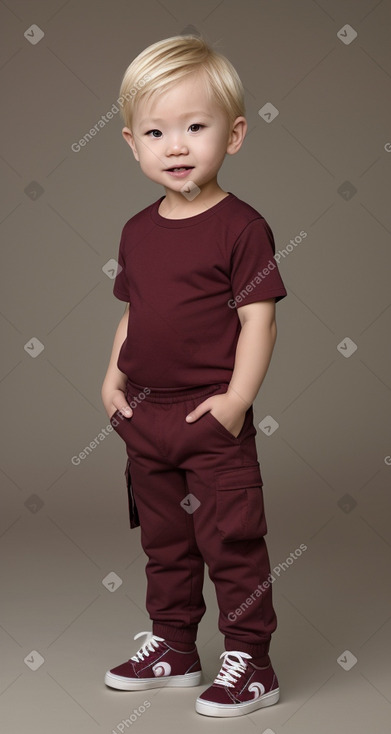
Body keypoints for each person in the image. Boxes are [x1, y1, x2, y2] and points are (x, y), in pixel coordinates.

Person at [101, 34, 287, 718]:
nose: (175, 146)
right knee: (165, 543)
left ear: (232, 136)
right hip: (146, 418)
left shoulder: (242, 228)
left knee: (230, 542)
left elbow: (259, 320)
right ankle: (174, 646)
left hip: (211, 421)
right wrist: (111, 378)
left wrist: (237, 401)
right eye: (156, 131)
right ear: (131, 143)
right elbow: (133, 313)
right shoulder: (136, 230)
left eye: (195, 127)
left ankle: (253, 662)